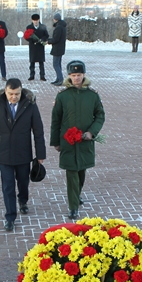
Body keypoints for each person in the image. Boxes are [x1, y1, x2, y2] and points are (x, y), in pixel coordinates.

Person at [0, 78, 47, 232]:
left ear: (21, 91)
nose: (14, 97)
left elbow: (38, 131)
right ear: (5, 91)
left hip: (23, 153)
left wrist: (40, 154)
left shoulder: (30, 105)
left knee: (23, 181)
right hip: (4, 154)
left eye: (17, 93)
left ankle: (23, 201)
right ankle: (10, 217)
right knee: (8, 186)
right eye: (11, 93)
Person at [50, 61, 105, 219]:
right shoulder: (63, 96)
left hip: (85, 141)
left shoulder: (92, 95)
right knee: (71, 172)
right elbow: (56, 119)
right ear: (69, 76)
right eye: (73, 75)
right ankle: (73, 206)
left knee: (81, 170)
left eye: (79, 75)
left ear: (84, 75)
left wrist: (91, 132)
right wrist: (56, 141)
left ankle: (77, 194)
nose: (76, 78)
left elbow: (100, 115)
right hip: (68, 141)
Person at [25, 14, 49, 80]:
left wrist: (42, 39)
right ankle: (32, 75)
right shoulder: (29, 27)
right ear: (32, 20)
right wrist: (32, 39)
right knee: (32, 62)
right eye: (34, 20)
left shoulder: (43, 27)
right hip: (33, 46)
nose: (35, 22)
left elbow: (46, 35)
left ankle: (42, 76)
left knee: (41, 62)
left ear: (39, 20)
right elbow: (27, 36)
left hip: (40, 46)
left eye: (37, 20)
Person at [47, 13, 67, 86]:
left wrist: (48, 41)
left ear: (55, 19)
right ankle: (58, 78)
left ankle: (60, 79)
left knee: (56, 64)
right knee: (58, 64)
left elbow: (56, 39)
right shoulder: (63, 26)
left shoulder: (58, 27)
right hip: (61, 48)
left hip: (57, 48)